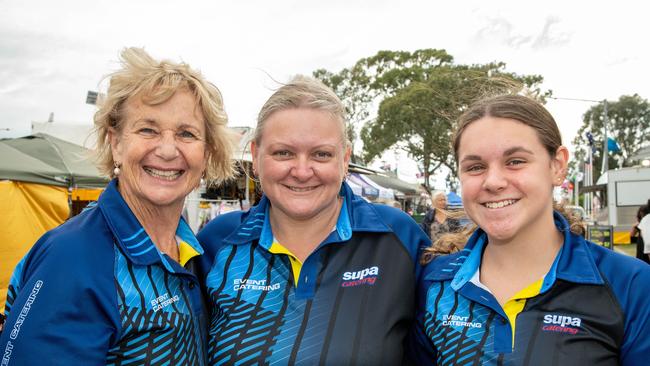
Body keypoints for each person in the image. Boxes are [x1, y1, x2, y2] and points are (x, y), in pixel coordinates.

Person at [0, 47, 236, 364]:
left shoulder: (191, 250)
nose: (168, 150)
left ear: (207, 153)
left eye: (186, 133)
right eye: (147, 129)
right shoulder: (74, 257)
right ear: (116, 143)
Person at [196, 75, 430, 365]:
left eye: (321, 154)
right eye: (284, 153)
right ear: (256, 156)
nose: (302, 171)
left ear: (344, 159)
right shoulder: (218, 242)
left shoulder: (398, 237)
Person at [409, 95, 650, 365]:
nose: (494, 181)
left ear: (557, 166)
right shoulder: (434, 284)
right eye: (475, 167)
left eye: (515, 161)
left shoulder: (631, 285)